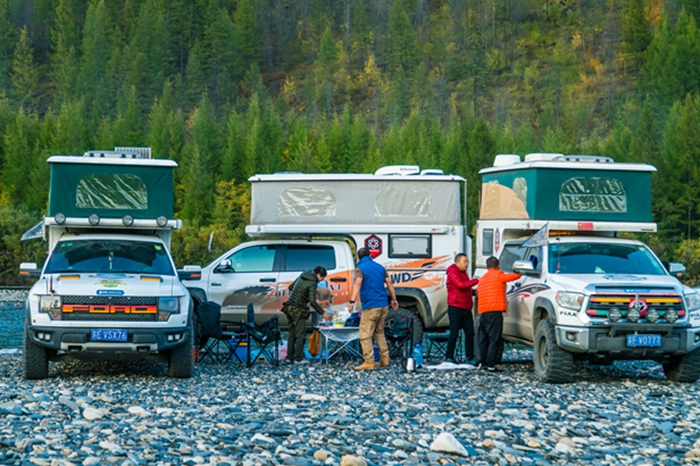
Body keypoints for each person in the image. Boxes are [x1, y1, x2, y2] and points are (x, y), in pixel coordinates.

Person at [348, 247, 399, 371]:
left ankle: (368, 361)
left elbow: (358, 283)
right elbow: (389, 283)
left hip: (371, 305)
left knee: (365, 334)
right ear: (370, 255)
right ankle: (384, 359)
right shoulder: (380, 267)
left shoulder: (360, 268)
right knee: (379, 332)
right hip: (383, 305)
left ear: (358, 258)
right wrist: (394, 299)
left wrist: (352, 301)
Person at [477, 256, 521, 373]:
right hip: (495, 312)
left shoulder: (482, 279)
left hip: (483, 312)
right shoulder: (499, 275)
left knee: (484, 339)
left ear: (486, 267)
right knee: (494, 339)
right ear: (498, 266)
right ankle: (491, 365)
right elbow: (514, 276)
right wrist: (522, 271)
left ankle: (483, 363)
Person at [285, 266, 331, 364]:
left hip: (289, 307)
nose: (320, 281)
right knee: (301, 335)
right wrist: (323, 313)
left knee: (292, 334)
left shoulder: (303, 275)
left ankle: (289, 357)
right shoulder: (312, 282)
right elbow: (313, 301)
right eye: (322, 278)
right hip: (298, 310)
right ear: (318, 275)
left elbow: (290, 287)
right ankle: (299, 359)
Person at [445, 253, 479, 365]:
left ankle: (469, 356)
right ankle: (449, 356)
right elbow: (460, 285)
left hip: (466, 307)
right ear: (457, 261)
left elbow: (465, 288)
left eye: (468, 262)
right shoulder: (452, 272)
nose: (467, 264)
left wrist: (474, 292)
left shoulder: (464, 274)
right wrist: (476, 281)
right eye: (465, 261)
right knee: (454, 333)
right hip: (455, 306)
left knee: (470, 333)